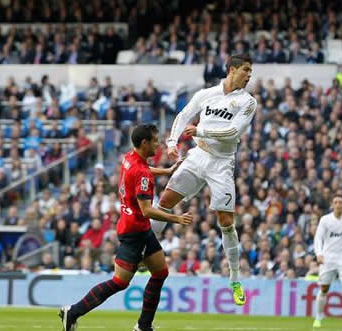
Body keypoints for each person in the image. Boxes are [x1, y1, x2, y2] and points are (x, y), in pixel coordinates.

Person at [59, 124, 193, 331]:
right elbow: (147, 210)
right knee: (119, 282)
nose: (158, 145)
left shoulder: (129, 158)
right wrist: (176, 219)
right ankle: (73, 312)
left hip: (139, 229)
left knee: (160, 273)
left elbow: (142, 170)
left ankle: (143, 326)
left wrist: (165, 170)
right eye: (155, 141)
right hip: (134, 234)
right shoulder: (142, 173)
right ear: (144, 143)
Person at [150, 53, 257, 306]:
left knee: (226, 222)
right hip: (198, 155)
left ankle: (234, 279)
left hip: (222, 163)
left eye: (250, 71)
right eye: (246, 70)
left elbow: (233, 132)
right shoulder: (206, 94)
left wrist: (200, 130)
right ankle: (146, 254)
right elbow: (183, 115)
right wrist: (172, 143)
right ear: (231, 69)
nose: (249, 75)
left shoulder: (247, 102)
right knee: (165, 200)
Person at [313, 195, 342, 329]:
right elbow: (318, 238)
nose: (338, 204)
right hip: (328, 258)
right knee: (323, 289)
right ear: (332, 205)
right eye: (335, 202)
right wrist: (319, 254)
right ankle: (318, 317)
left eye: (340, 202)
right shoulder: (325, 220)